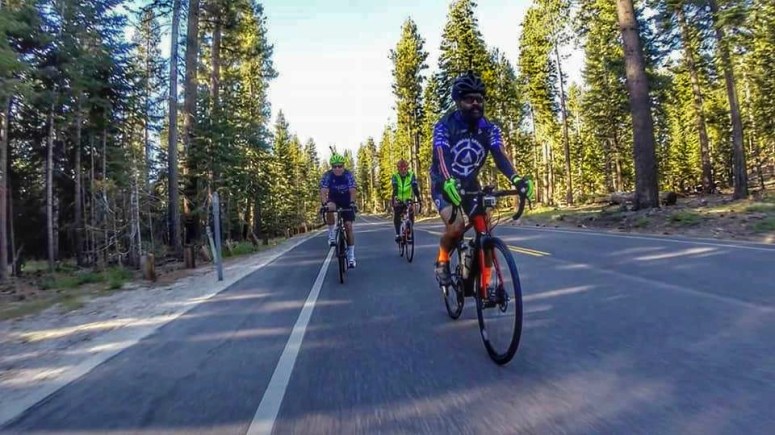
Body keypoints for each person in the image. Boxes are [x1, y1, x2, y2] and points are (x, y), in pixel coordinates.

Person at [429, 71, 535, 286]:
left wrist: (517, 179)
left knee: (484, 231)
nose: (476, 103)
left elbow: (499, 154)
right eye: (469, 99)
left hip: (470, 184)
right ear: (459, 102)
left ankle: (485, 284)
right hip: (444, 184)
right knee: (456, 228)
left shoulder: (489, 128)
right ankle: (441, 261)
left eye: (479, 99)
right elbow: (442, 155)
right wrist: (448, 180)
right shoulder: (444, 125)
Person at [319, 153, 358, 268]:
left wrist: (352, 203)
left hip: (346, 199)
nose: (337, 169)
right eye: (334, 166)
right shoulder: (328, 175)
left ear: (343, 166)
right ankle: (331, 234)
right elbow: (323, 191)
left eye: (340, 166)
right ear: (331, 167)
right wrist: (324, 203)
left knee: (348, 226)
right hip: (334, 199)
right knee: (329, 208)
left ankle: (351, 256)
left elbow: (352, 190)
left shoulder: (348, 175)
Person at [391, 159, 422, 242]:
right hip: (397, 197)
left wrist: (418, 198)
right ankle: (398, 234)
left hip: (408, 198)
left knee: (411, 212)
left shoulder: (411, 175)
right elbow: (395, 188)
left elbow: (415, 187)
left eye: (405, 168)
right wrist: (396, 198)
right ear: (398, 169)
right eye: (401, 168)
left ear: (407, 168)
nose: (403, 170)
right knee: (397, 214)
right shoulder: (395, 176)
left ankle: (408, 232)